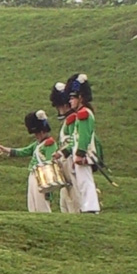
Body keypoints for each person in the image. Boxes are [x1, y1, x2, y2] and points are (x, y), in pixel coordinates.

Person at [0, 110, 59, 213]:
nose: (36, 135)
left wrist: (48, 187)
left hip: (42, 177)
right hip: (33, 175)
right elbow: (22, 151)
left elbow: (50, 164)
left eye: (38, 133)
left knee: (42, 205)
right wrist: (4, 149)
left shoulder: (50, 144)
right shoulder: (36, 144)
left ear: (43, 131)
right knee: (32, 204)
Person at [63, 74, 101, 214]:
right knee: (82, 181)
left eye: (72, 98)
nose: (70, 101)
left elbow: (84, 137)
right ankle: (88, 207)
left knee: (85, 181)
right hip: (80, 153)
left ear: (81, 98)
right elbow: (75, 139)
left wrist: (79, 154)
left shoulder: (84, 114)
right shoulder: (81, 114)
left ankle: (91, 207)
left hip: (86, 152)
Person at [50, 81, 81, 213]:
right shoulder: (68, 121)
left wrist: (62, 153)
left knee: (75, 196)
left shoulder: (73, 119)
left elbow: (74, 140)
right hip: (66, 163)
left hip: (71, 162)